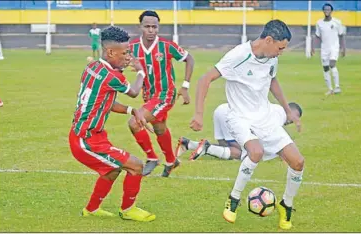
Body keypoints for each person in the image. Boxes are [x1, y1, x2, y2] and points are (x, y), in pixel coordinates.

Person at [190, 20, 304, 230]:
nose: (281, 53)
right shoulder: (238, 56)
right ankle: (233, 200)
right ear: (268, 40)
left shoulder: (271, 58)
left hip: (265, 116)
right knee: (256, 152)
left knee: (298, 162)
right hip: (239, 117)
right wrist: (198, 114)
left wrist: (287, 110)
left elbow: (272, 81)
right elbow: (205, 79)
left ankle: (286, 205)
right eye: (280, 48)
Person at [69, 26, 156, 222]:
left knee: (112, 170)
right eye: (125, 53)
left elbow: (102, 103)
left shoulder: (92, 68)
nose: (128, 57)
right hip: (86, 140)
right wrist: (141, 72)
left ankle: (91, 209)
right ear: (110, 52)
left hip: (92, 136)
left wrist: (131, 110)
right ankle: (128, 209)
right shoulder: (112, 76)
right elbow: (134, 92)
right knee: (135, 165)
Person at [128, 10, 195, 177]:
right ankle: (172, 161)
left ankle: (152, 158)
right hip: (149, 96)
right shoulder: (133, 48)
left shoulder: (166, 45)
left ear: (158, 28)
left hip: (165, 94)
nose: (151, 30)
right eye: (147, 27)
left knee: (134, 122)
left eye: (154, 27)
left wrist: (185, 86)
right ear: (140, 27)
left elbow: (189, 59)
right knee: (159, 129)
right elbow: (122, 65)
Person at [176, 102, 302, 161]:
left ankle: (188, 144)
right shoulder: (280, 114)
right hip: (231, 116)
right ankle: (207, 148)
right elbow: (276, 141)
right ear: (289, 111)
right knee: (243, 153)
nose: (291, 121)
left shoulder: (274, 108)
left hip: (222, 109)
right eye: (294, 117)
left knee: (225, 148)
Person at [311, 3, 346, 96]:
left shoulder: (337, 22)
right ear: (323, 11)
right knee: (325, 68)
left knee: (332, 64)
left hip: (334, 47)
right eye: (325, 9)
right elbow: (317, 36)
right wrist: (312, 47)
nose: (327, 11)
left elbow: (341, 35)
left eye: (328, 9)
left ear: (331, 11)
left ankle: (337, 87)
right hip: (324, 48)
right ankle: (330, 89)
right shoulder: (319, 23)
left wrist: (343, 48)